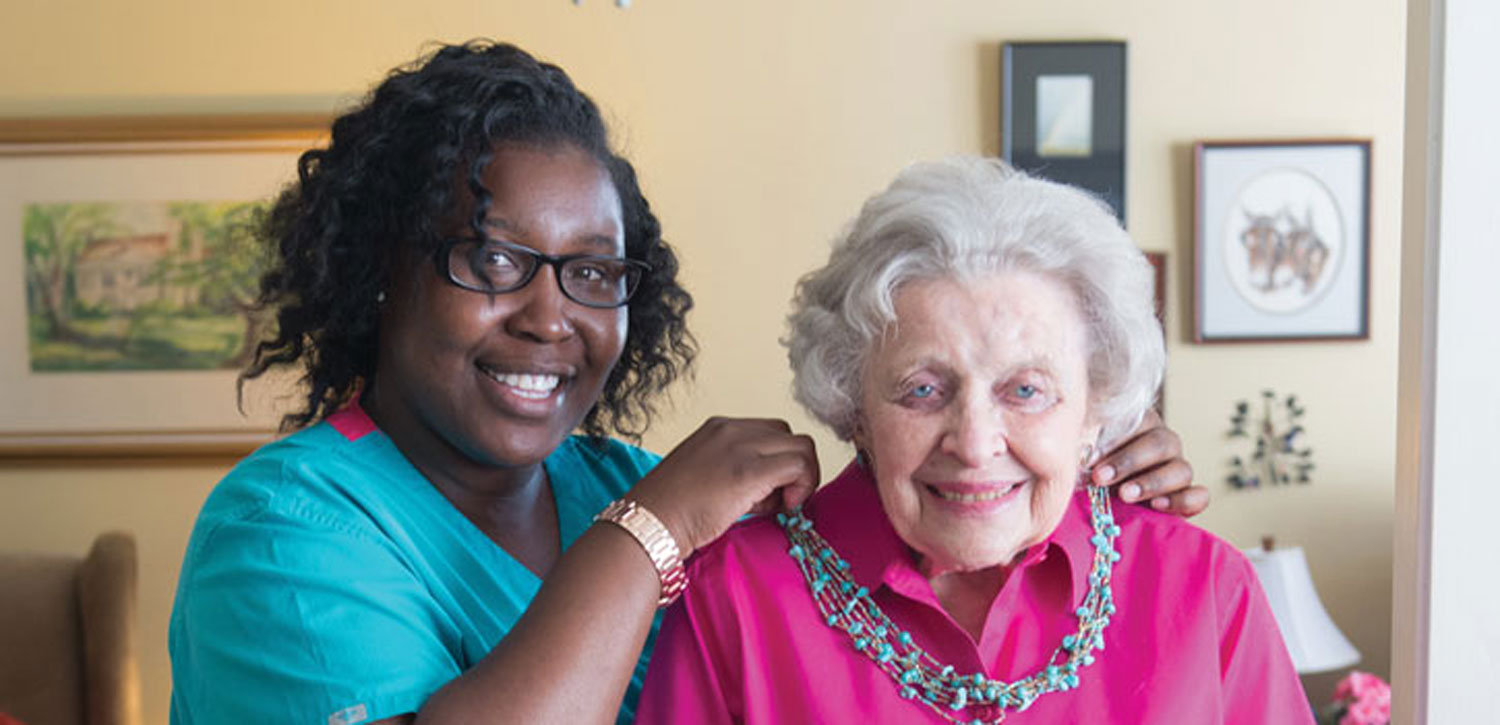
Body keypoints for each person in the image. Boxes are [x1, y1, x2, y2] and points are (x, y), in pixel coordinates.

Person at [167, 43, 1207, 724]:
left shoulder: (614, 479)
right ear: (377, 270)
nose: (549, 313)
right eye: (491, 260)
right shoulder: (281, 531)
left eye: (592, 272)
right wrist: (653, 523)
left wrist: (1077, 472)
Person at [635, 157, 1309, 723]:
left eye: (1026, 390)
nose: (976, 442)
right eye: (924, 389)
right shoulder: (736, 594)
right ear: (853, 403)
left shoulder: (1203, 586)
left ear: (1096, 408)